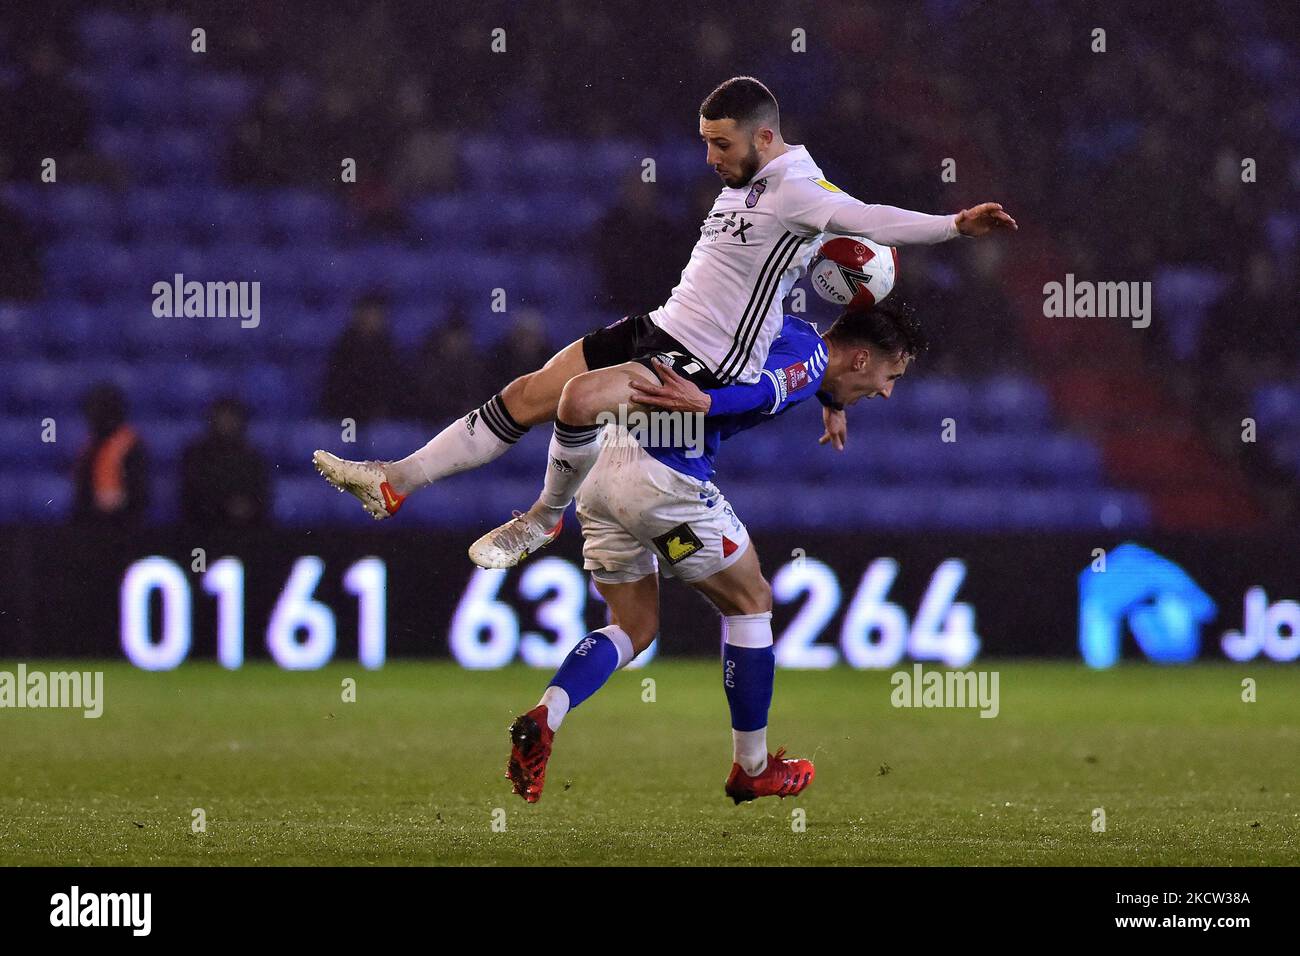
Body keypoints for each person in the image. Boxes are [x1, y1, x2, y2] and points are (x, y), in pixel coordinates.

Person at [312, 75, 1014, 558]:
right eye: (706, 142)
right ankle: (394, 481)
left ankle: (543, 520)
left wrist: (955, 224)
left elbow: (870, 218)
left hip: (705, 357)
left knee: (576, 401)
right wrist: (831, 399)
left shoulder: (800, 189)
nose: (710, 158)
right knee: (529, 392)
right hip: (662, 324)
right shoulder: (753, 177)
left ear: (763, 137)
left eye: (721, 145)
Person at [506, 299, 926, 804]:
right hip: (664, 486)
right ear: (861, 359)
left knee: (634, 627)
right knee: (751, 602)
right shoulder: (811, 356)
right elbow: (762, 389)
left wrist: (832, 404)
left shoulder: (791, 333)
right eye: (890, 374)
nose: (886, 391)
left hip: (599, 470)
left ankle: (545, 714)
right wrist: (705, 404)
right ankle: (752, 767)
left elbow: (797, 371)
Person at [180, 398, 270, 528]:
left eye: (231, 417)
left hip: (247, 529)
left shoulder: (253, 457)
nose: (226, 423)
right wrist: (224, 506)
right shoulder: (195, 455)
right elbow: (191, 495)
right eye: (222, 417)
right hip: (204, 528)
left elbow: (261, 495)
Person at [71, 383, 150, 527]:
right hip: (90, 528)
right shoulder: (90, 447)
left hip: (123, 527)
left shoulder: (131, 446)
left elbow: (138, 496)